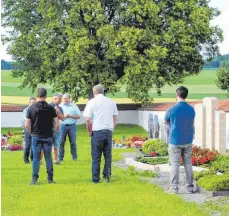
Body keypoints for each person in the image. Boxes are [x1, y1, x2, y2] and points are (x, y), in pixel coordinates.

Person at [83, 84, 118, 183]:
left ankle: (95, 178)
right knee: (108, 155)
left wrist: (89, 131)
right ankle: (107, 175)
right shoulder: (111, 102)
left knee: (96, 156)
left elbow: (88, 120)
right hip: (108, 131)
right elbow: (115, 118)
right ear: (103, 91)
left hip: (97, 131)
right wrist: (112, 128)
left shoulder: (92, 102)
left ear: (94, 92)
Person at [164, 86, 195, 194]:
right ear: (186, 95)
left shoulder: (172, 109)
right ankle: (190, 187)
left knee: (175, 165)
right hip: (188, 140)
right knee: (188, 164)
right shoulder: (191, 109)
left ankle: (174, 188)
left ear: (177, 95)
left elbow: (166, 121)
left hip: (175, 141)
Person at [25, 88, 59, 185]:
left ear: (37, 95)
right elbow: (57, 124)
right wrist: (53, 134)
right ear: (46, 96)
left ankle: (34, 179)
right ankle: (50, 179)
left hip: (36, 136)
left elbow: (27, 125)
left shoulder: (31, 108)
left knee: (36, 158)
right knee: (48, 157)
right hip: (48, 136)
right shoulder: (51, 108)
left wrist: (32, 133)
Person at [59, 94, 81, 162]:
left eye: (66, 98)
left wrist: (70, 116)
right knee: (61, 142)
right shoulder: (59, 106)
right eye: (64, 98)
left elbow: (79, 116)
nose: (65, 99)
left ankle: (74, 157)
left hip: (72, 125)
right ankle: (60, 158)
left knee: (73, 142)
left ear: (69, 98)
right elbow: (56, 116)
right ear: (62, 99)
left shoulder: (74, 106)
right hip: (62, 126)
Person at [50, 93, 66, 164]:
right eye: (60, 99)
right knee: (45, 144)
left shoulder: (60, 108)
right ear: (55, 98)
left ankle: (55, 160)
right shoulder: (48, 106)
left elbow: (63, 118)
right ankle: (40, 160)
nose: (61, 101)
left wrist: (58, 111)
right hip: (48, 128)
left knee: (56, 144)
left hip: (56, 128)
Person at [23, 97, 36, 163]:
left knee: (34, 144)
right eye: (32, 103)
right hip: (28, 129)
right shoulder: (26, 110)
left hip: (35, 129)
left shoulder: (37, 109)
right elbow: (28, 120)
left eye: (35, 103)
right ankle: (26, 159)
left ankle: (32, 158)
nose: (34, 104)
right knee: (28, 144)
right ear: (29, 103)